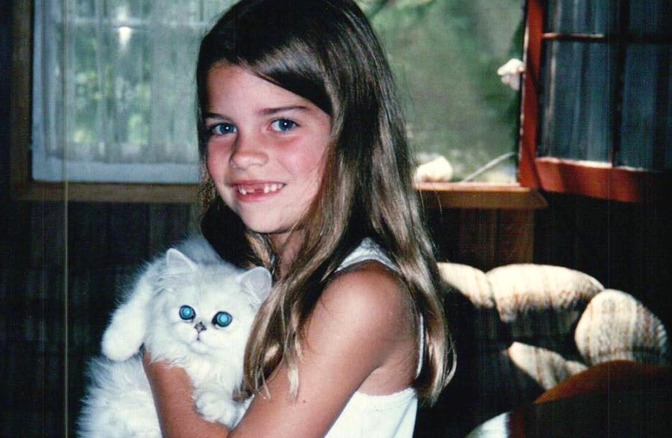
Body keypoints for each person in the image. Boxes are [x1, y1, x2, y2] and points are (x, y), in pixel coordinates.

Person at [143, 0, 455, 436]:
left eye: (283, 124)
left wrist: (159, 357)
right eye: (223, 127)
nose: (244, 155)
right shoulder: (262, 269)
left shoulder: (362, 295)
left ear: (353, 134)